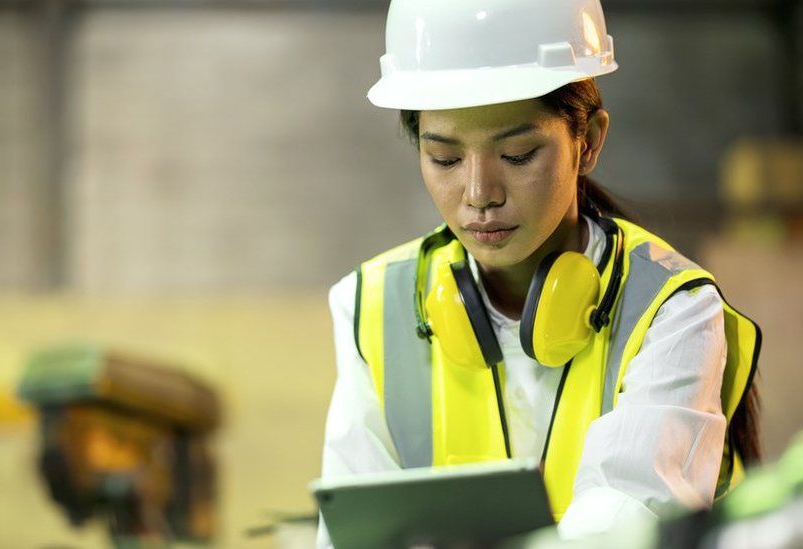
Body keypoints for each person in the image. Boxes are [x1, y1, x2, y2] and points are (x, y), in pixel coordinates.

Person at [316, 0, 761, 546]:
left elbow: (626, 524)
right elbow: (355, 528)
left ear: (589, 140)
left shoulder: (670, 309)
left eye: (520, 154)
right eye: (445, 159)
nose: (479, 195)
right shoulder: (373, 304)